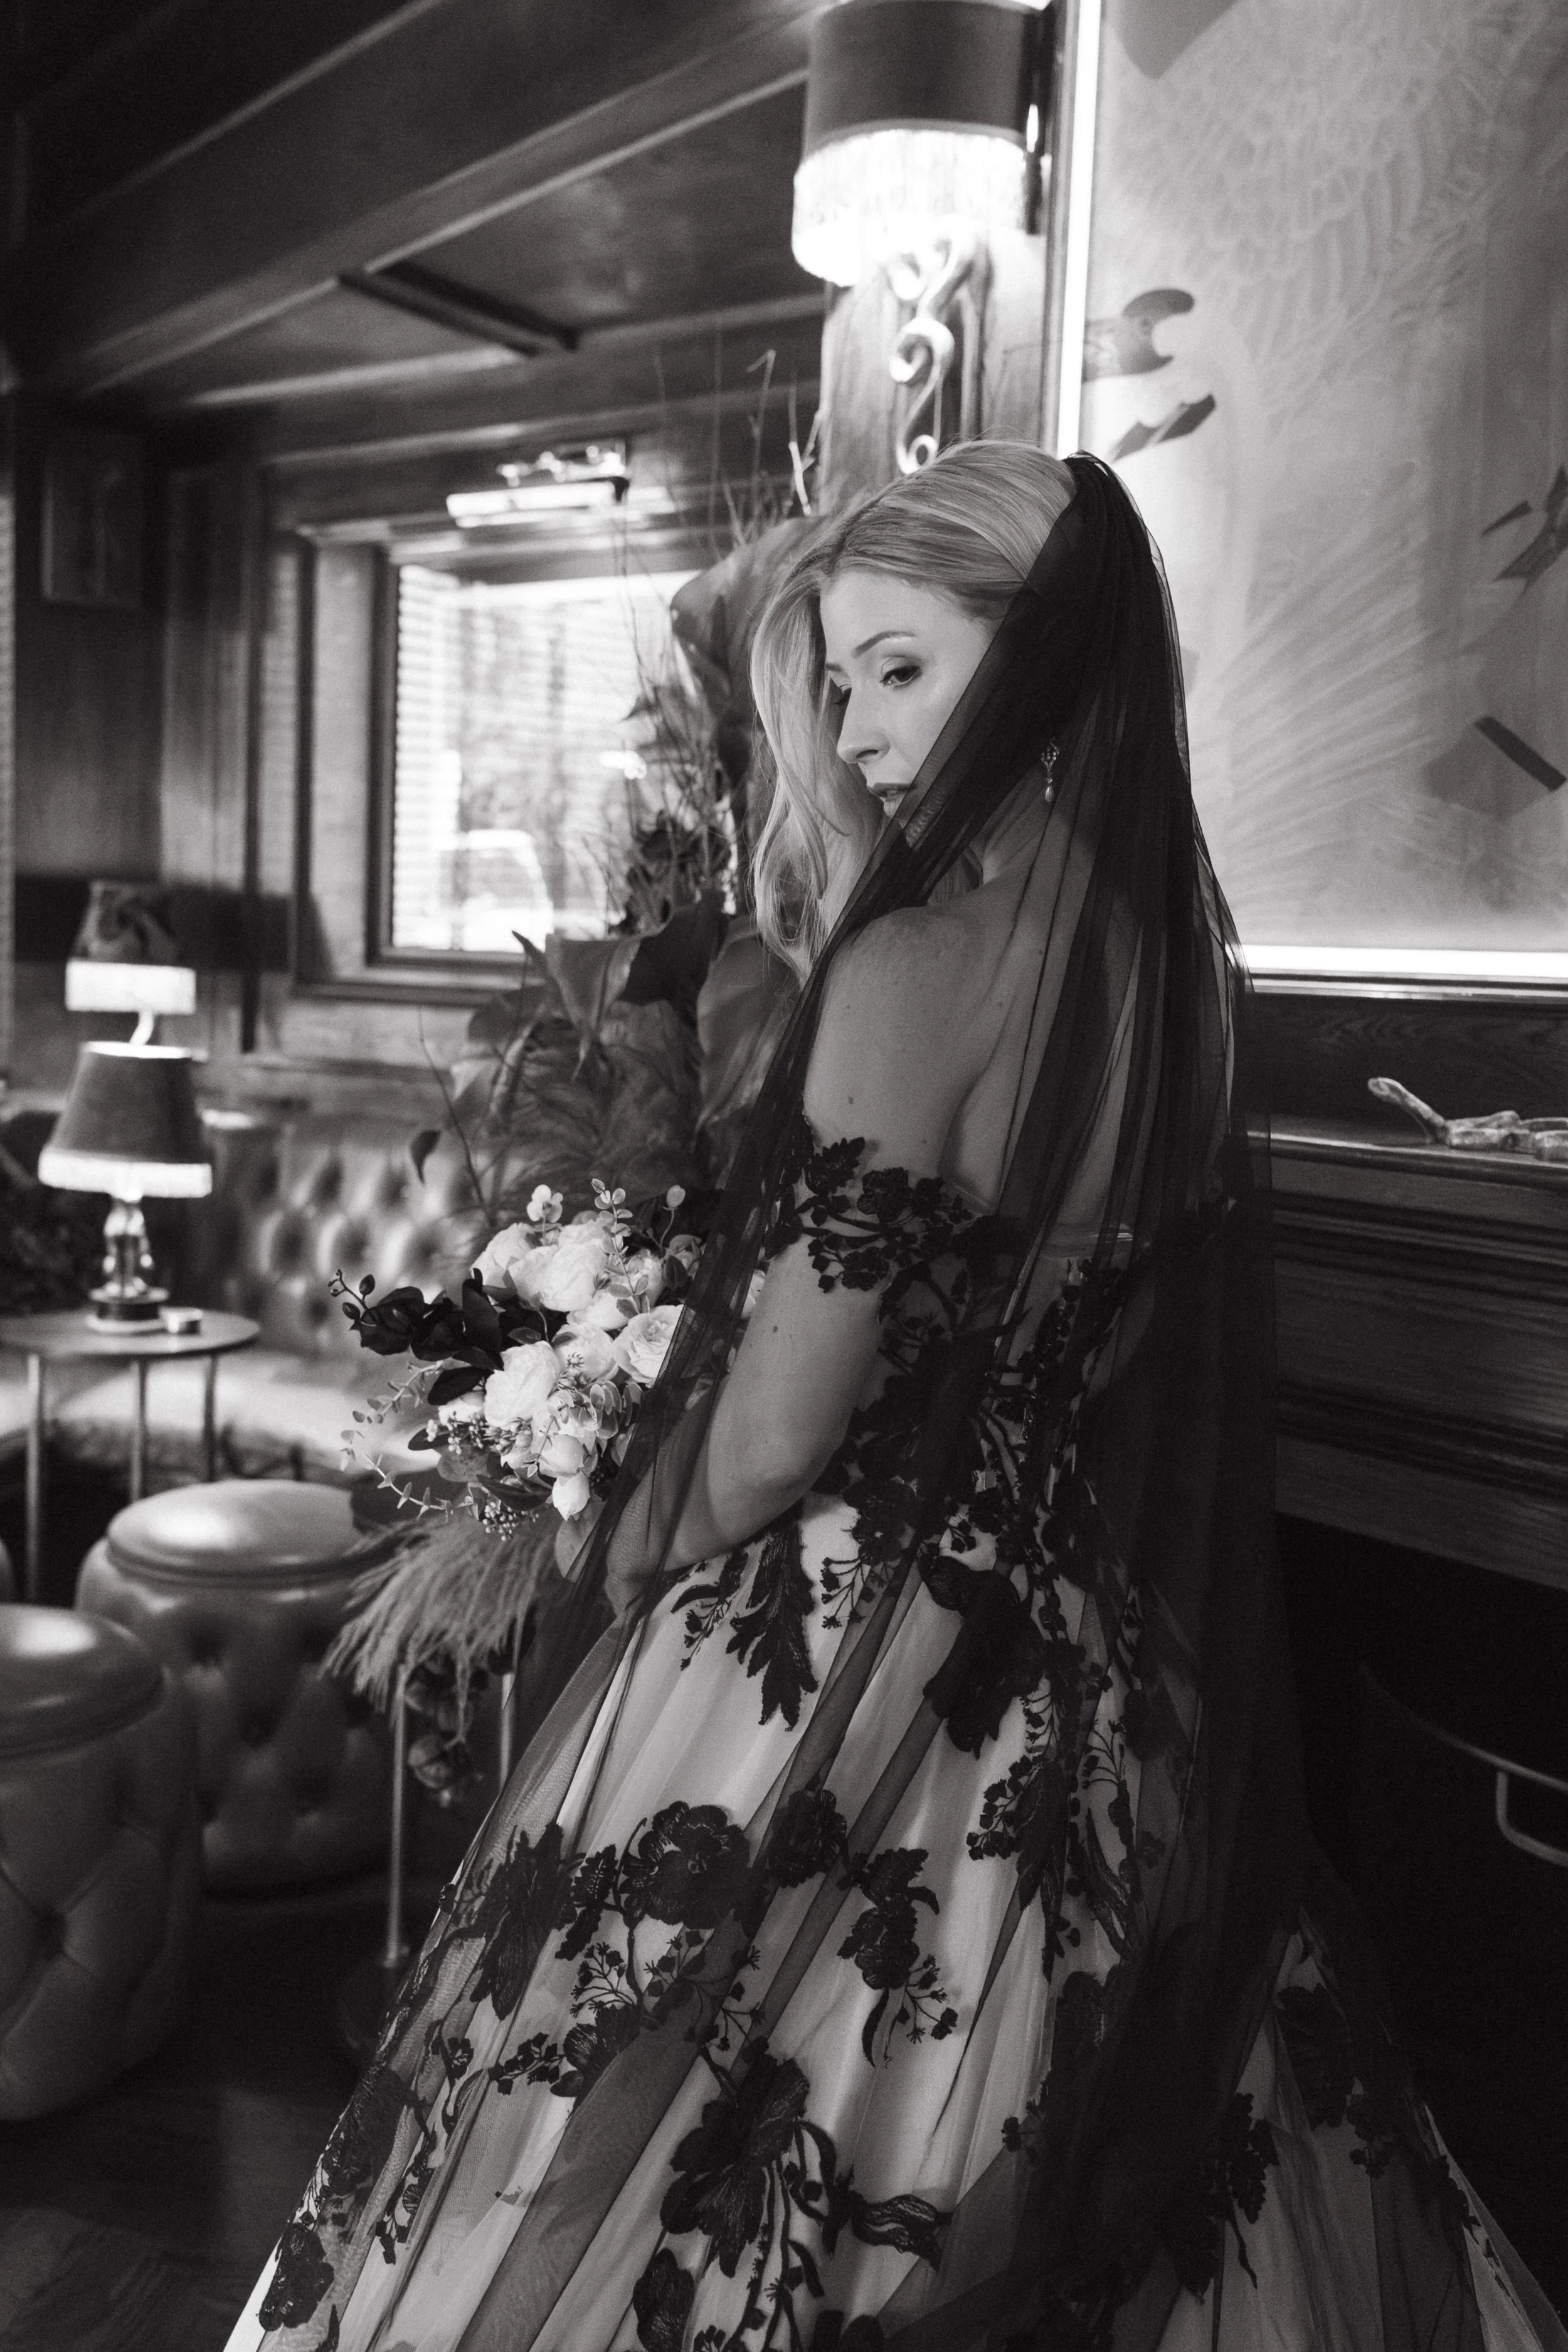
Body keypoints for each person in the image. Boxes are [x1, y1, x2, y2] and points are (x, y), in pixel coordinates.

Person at [230, 446, 1562, 2352]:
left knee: (646, 2190)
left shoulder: (921, 967)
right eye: (837, 683)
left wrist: (620, 1534)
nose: (849, 734)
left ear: (1042, 659)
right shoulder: (1165, 967)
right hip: (1088, 1671)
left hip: (837, 1647)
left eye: (897, 671)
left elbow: (778, 1432)